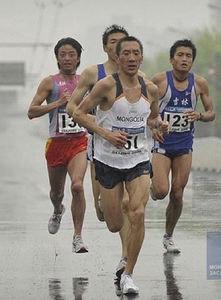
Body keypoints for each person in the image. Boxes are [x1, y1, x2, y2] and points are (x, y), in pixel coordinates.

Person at [73, 36, 169, 295]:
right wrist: (106, 134)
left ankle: (128, 274)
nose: (131, 57)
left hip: (137, 159)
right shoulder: (106, 86)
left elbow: (152, 116)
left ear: (141, 57)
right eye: (125, 53)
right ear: (117, 57)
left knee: (137, 213)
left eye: (136, 53)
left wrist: (159, 125)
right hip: (107, 161)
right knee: (115, 223)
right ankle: (106, 201)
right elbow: (79, 113)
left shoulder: (151, 89)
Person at [65, 24, 133, 278]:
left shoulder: (137, 75)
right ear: (106, 47)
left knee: (128, 204)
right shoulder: (93, 73)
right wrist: (98, 127)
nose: (119, 47)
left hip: (129, 152)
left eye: (123, 43)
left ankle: (125, 259)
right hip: (99, 151)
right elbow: (73, 108)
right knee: (105, 215)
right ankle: (105, 204)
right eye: (113, 42)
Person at [149, 39, 215, 253]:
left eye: (188, 56)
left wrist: (200, 115)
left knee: (177, 193)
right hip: (163, 143)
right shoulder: (159, 81)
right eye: (180, 55)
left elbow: (211, 112)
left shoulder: (200, 84)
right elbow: (143, 109)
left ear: (192, 61)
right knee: (161, 191)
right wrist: (154, 125)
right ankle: (152, 187)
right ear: (171, 59)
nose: (184, 59)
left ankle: (168, 236)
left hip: (185, 144)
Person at [27, 37, 89, 253]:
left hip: (79, 142)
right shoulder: (49, 82)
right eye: (63, 54)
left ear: (78, 58)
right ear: (57, 58)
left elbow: (100, 108)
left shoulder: (86, 82)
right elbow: (31, 111)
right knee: (57, 193)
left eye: (72, 54)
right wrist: (58, 104)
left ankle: (78, 237)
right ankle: (57, 209)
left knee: (78, 185)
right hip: (56, 143)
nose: (67, 58)